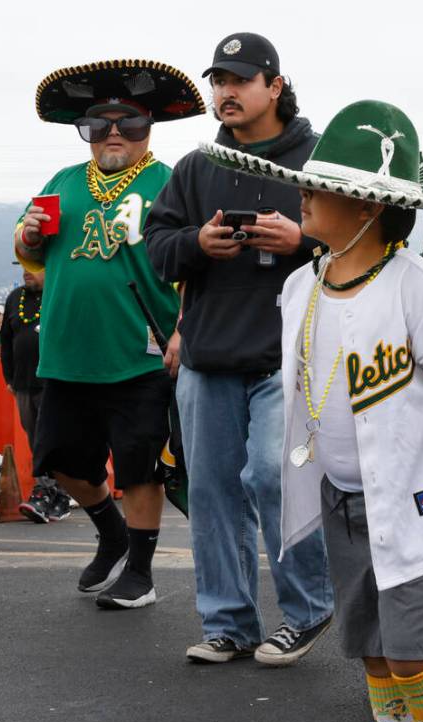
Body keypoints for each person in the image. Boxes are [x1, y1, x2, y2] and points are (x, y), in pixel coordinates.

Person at [206, 98, 423, 722]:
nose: (304, 193)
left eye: (322, 187)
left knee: (412, 655)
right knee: (374, 656)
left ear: (368, 207)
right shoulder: (299, 288)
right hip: (346, 505)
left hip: (420, 506)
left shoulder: (418, 291)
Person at [145, 32, 334, 665]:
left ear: (273, 86)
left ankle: (308, 610)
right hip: (208, 355)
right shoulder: (196, 166)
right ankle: (228, 623)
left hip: (293, 353)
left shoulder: (319, 160)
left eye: (238, 80)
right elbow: (157, 247)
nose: (224, 92)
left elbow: (368, 241)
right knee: (213, 490)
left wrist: (302, 241)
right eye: (217, 81)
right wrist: (197, 243)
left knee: (275, 477)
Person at [14, 58, 204, 609]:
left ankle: (140, 572)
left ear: (149, 128)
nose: (114, 133)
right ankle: (111, 532)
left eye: (130, 124)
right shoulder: (63, 182)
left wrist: (182, 331)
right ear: (86, 133)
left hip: (140, 349)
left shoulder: (169, 180)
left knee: (140, 464)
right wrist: (27, 236)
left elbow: (196, 263)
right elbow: (31, 253)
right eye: (100, 125)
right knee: (60, 459)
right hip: (67, 350)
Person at [0, 269, 73, 523]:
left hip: (53, 381)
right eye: (22, 266)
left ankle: (47, 493)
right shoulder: (14, 298)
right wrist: (9, 378)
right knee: (34, 439)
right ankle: (54, 493)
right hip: (23, 383)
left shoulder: (59, 293)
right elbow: (6, 341)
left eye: (33, 267)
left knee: (49, 439)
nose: (25, 271)